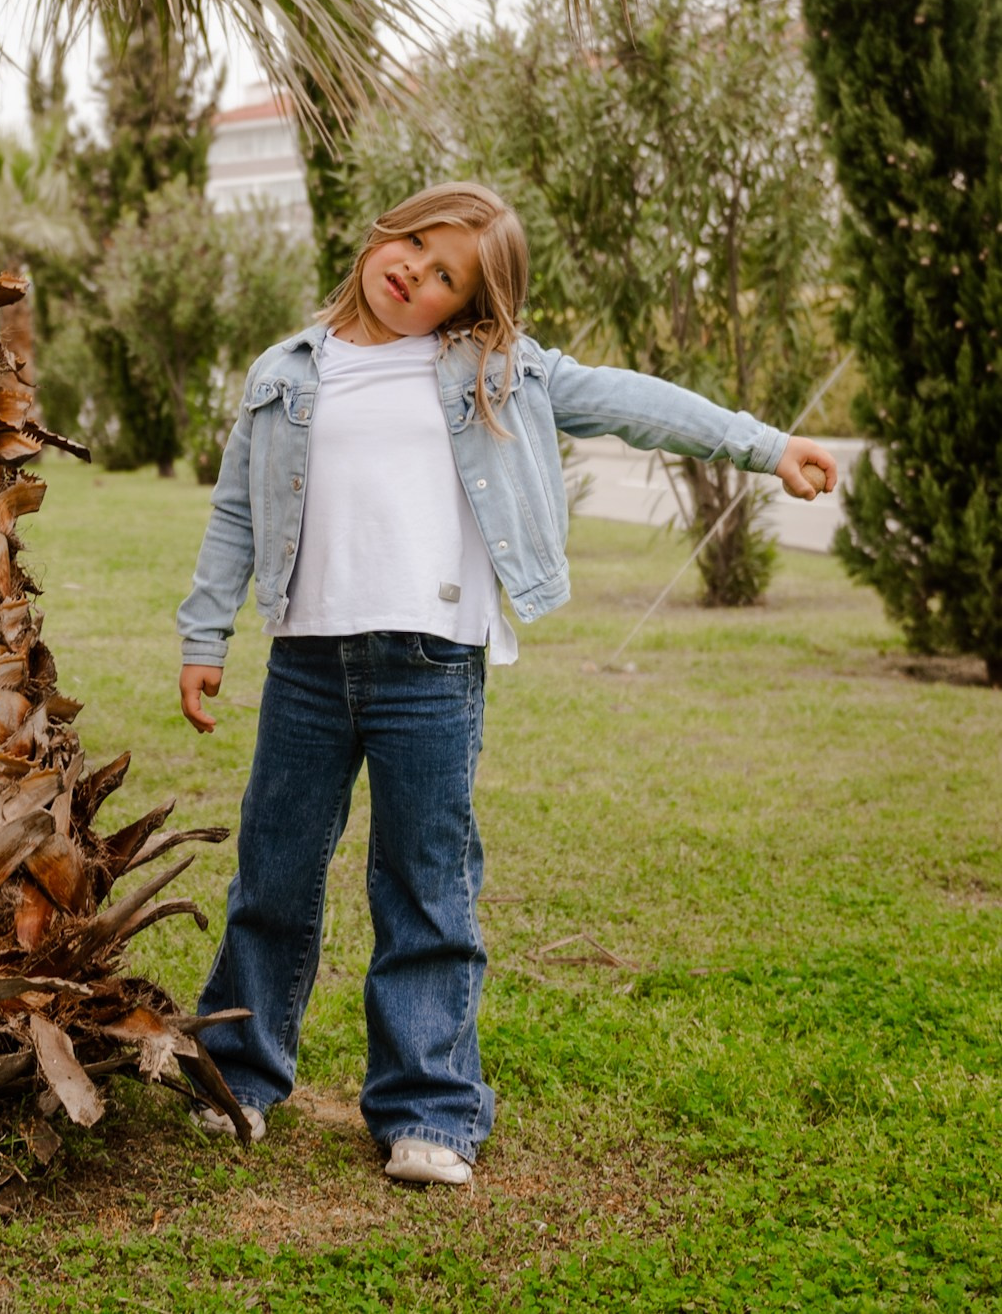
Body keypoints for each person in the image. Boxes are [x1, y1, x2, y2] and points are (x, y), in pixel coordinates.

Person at [174, 181, 836, 1188]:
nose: (415, 274)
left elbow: (632, 402)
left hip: (431, 664)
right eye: (414, 245)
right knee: (271, 874)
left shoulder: (496, 370)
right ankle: (237, 1077)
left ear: (468, 305)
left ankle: (427, 1110)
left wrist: (766, 446)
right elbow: (235, 511)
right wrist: (203, 635)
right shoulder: (286, 370)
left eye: (447, 276)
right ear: (383, 234)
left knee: (425, 884)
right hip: (305, 662)